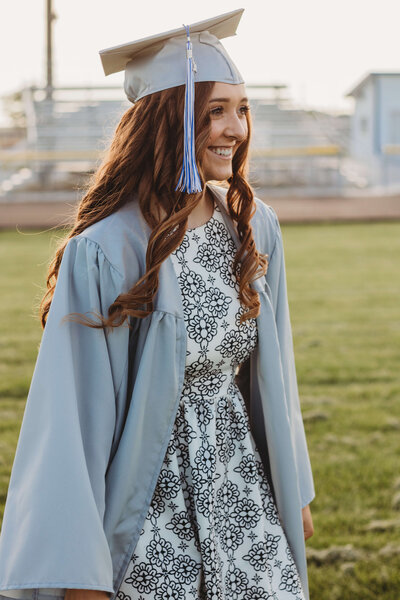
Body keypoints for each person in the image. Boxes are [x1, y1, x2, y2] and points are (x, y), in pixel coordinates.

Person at [0, 9, 315, 600]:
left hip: (242, 495)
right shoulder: (105, 250)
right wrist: (79, 572)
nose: (236, 129)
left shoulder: (253, 228)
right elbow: (70, 422)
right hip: (149, 510)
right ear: (169, 118)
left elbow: (280, 376)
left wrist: (292, 489)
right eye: (215, 110)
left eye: (242, 110)